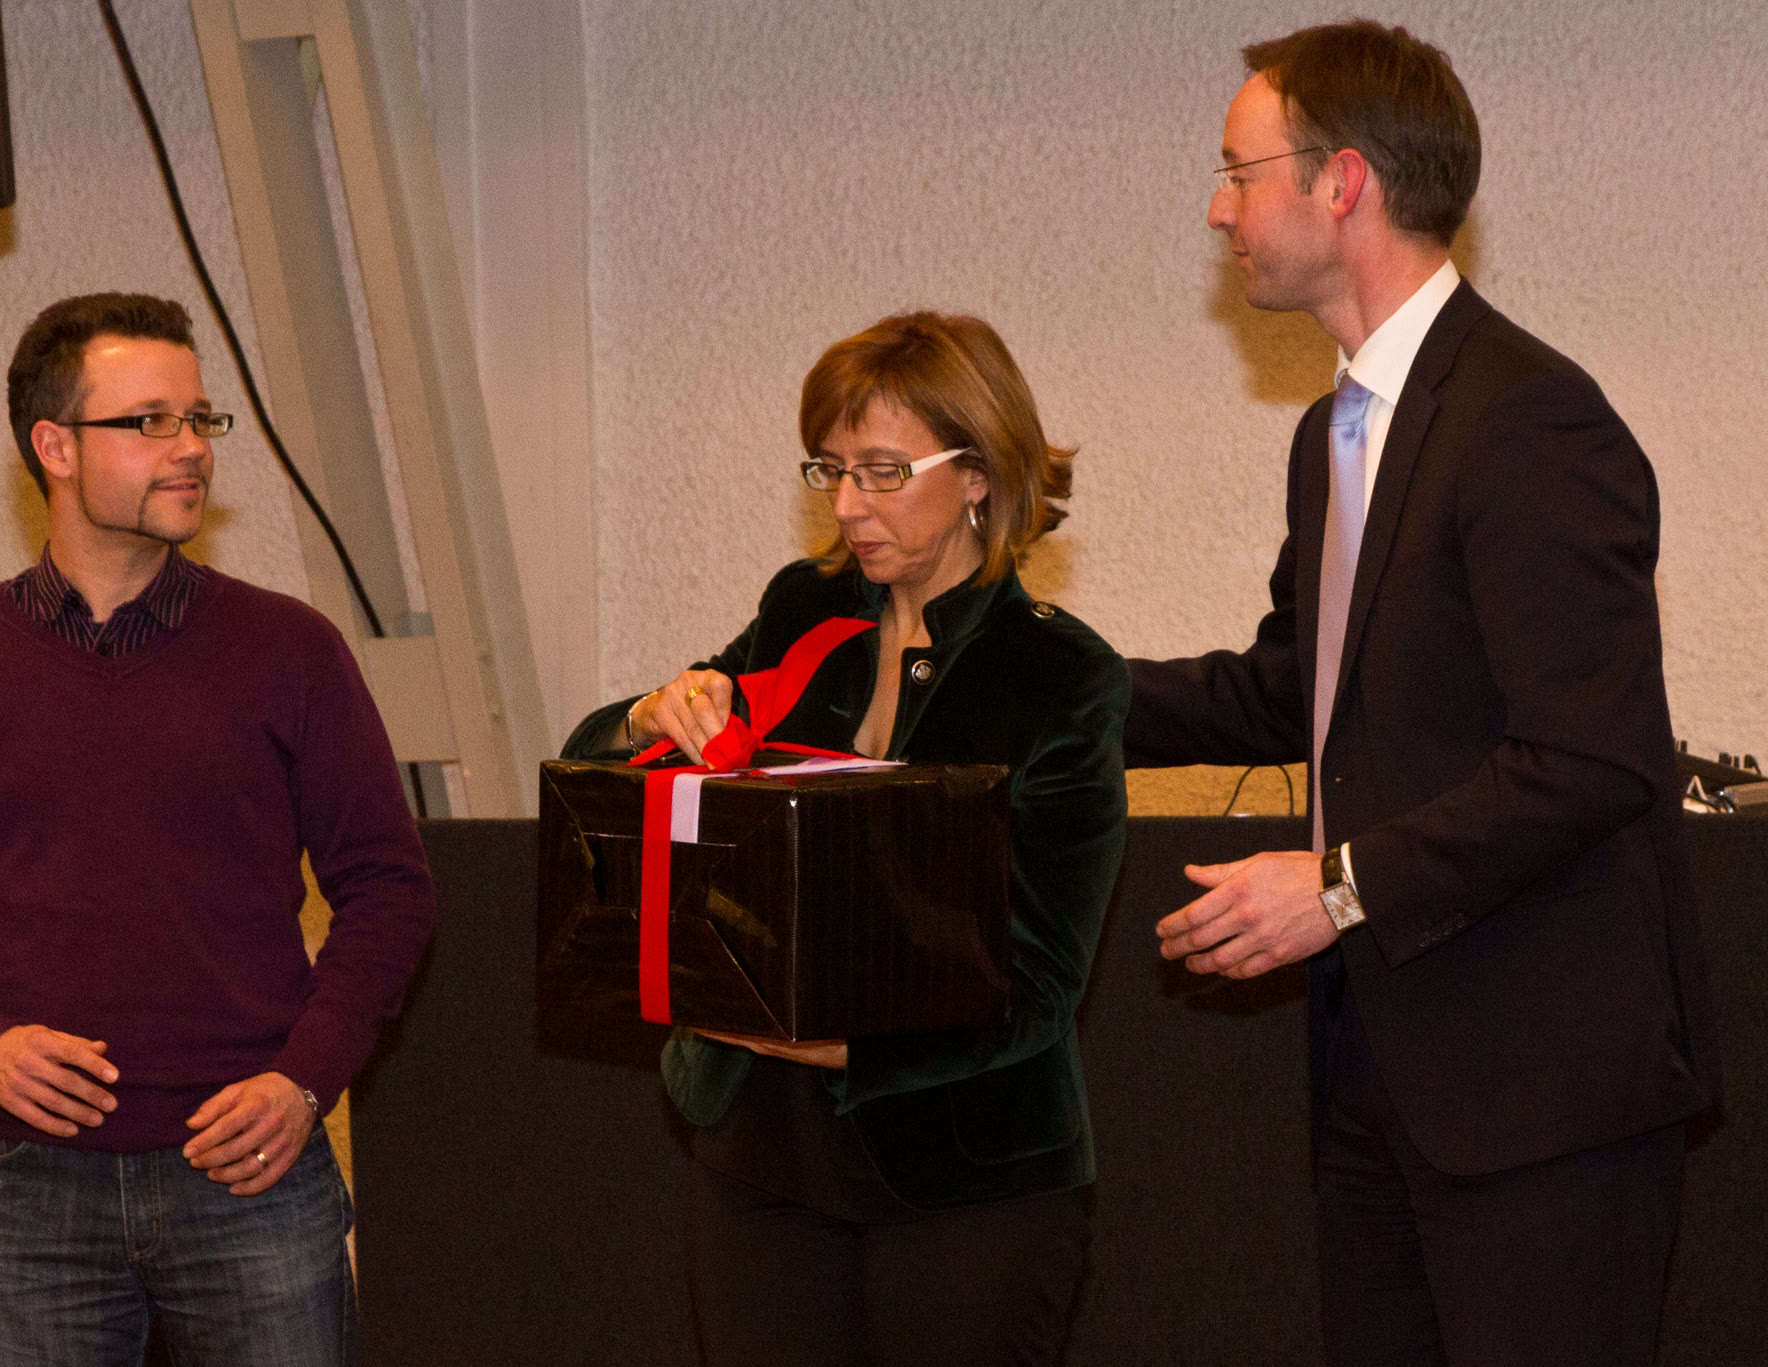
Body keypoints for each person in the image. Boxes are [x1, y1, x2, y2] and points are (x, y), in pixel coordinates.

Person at [1123, 22, 1717, 1366]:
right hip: (1379, 1080)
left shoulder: (1529, 420)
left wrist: (1335, 887)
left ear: (1341, 182)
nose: (1218, 210)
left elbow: (1589, 757)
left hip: (1541, 1100)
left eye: (1237, 172)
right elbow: (1298, 689)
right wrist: (1058, 692)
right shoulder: (1330, 432)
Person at [0, 293, 436, 1365]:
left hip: (252, 1174)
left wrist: (304, 1081)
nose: (190, 446)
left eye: (199, 418)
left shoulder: (290, 651)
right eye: (150, 421)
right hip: (29, 1192)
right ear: (54, 446)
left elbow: (390, 888)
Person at [562, 311, 1128, 1367]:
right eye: (830, 468)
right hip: (759, 1153)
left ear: (977, 473)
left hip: (965, 1175)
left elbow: (1043, 983)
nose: (847, 504)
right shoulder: (805, 607)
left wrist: (848, 1043)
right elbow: (603, 776)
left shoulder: (1061, 676)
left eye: (882, 471)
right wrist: (647, 716)